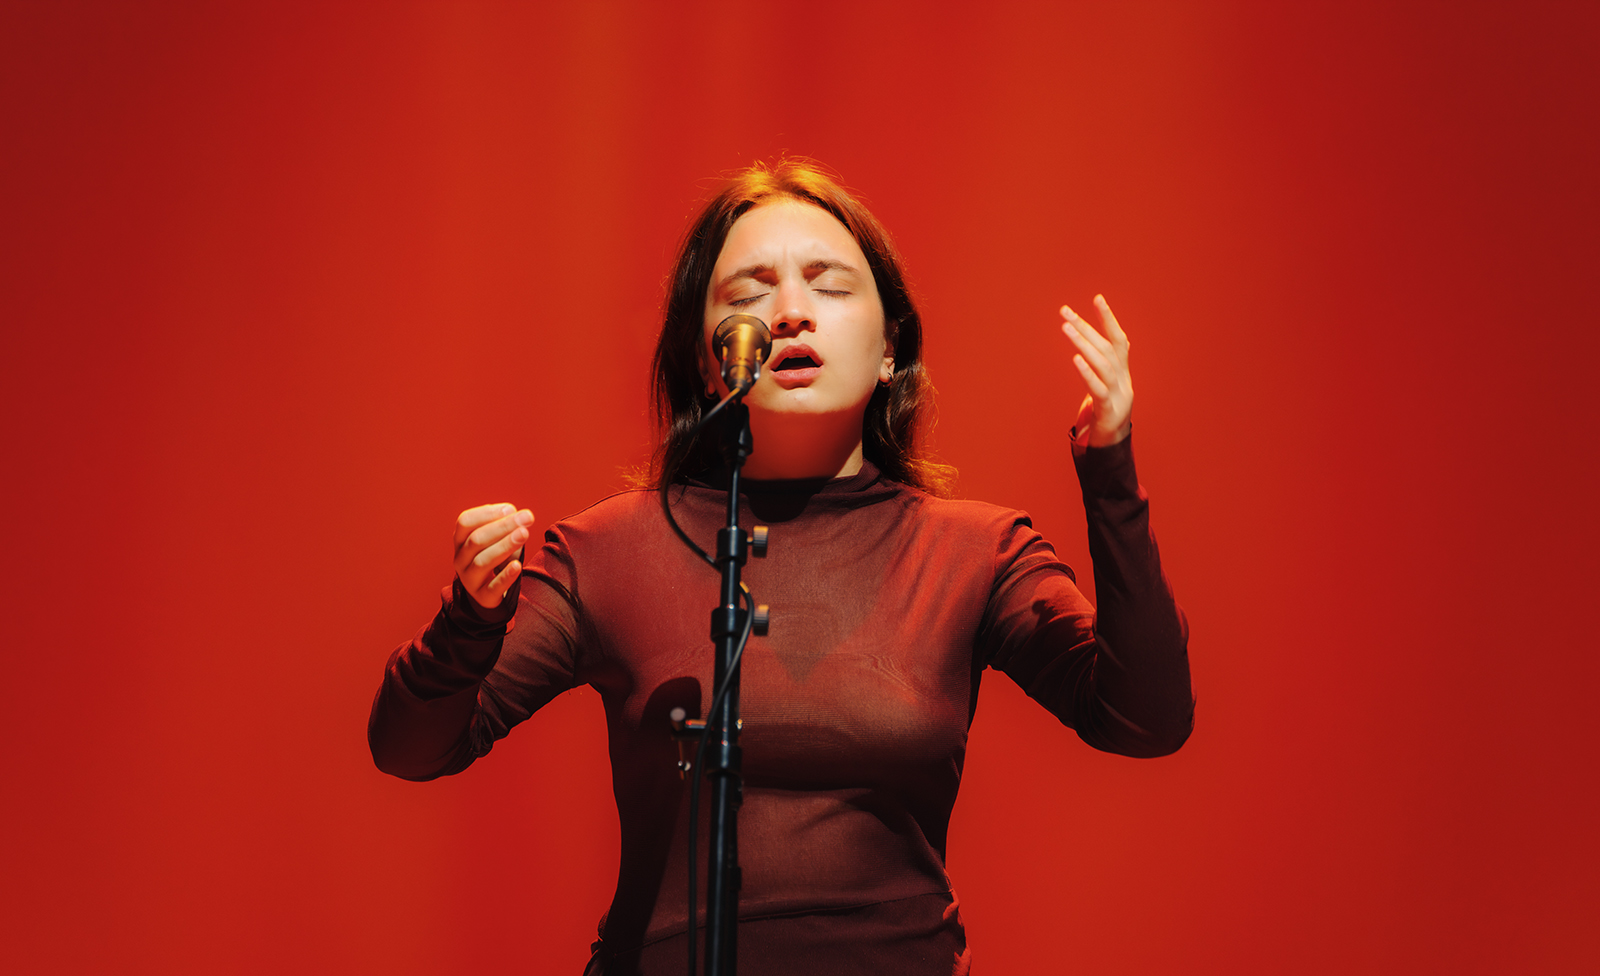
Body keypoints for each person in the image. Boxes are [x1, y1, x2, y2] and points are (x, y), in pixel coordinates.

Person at [368, 159, 1193, 975]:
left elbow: (1144, 719)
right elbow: (411, 748)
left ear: (889, 349)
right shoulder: (611, 549)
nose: (792, 314)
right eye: (750, 296)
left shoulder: (975, 553)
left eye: (830, 288)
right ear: (705, 359)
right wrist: (470, 618)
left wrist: (1110, 474)